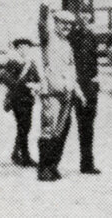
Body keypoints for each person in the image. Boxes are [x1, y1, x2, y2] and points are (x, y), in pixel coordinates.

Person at [56, 7, 102, 174]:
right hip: (72, 82)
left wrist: (95, 80)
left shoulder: (91, 36)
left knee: (87, 126)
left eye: (87, 12)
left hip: (88, 84)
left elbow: (94, 61)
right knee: (63, 124)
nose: (84, 15)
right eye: (81, 12)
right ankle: (53, 164)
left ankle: (87, 164)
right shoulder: (70, 36)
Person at [33, 34, 81, 182]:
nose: (66, 28)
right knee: (48, 128)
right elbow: (42, 24)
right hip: (51, 93)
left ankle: (53, 165)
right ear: (56, 23)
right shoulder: (48, 39)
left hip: (66, 92)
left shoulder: (67, 44)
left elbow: (71, 69)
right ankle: (44, 168)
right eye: (62, 24)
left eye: (69, 25)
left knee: (60, 130)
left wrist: (77, 91)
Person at [3, 36, 41, 167]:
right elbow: (8, 81)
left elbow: (37, 78)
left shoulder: (30, 62)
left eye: (27, 48)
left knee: (25, 126)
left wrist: (36, 86)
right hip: (16, 98)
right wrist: (26, 85)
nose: (24, 50)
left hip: (28, 99)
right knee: (24, 126)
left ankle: (16, 153)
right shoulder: (12, 62)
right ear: (17, 49)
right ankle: (24, 157)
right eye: (21, 48)